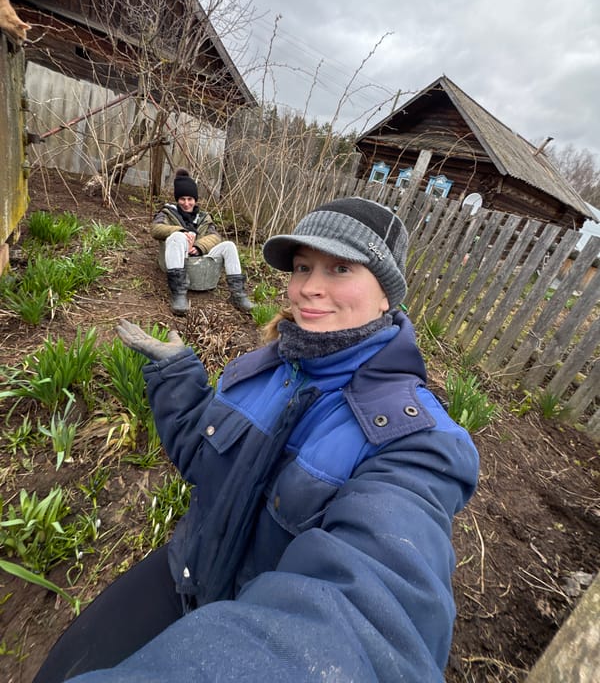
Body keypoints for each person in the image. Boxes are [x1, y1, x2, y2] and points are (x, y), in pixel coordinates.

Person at [34, 196, 479, 683]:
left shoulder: (417, 440)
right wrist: (177, 377)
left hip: (256, 613)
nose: (309, 287)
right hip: (188, 568)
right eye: (303, 266)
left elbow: (372, 616)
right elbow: (205, 464)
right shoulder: (261, 370)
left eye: (341, 268)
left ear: (387, 296)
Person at [151, 167, 254, 314]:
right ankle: (179, 294)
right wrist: (180, 231)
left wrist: (199, 246)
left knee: (229, 245)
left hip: (198, 255)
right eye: (182, 199)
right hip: (176, 255)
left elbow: (215, 237)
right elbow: (155, 229)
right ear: (177, 199)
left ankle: (238, 294)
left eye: (190, 199)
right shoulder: (167, 213)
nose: (186, 203)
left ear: (195, 200)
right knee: (177, 237)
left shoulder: (204, 217)